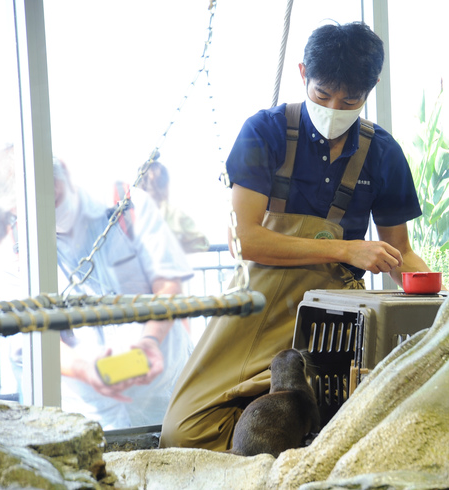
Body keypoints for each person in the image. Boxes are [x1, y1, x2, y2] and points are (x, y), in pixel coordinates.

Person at [161, 21, 431, 451]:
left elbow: (400, 251)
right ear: (304, 74)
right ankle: (263, 438)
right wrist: (346, 248)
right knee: (183, 434)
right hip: (256, 303)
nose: (334, 108)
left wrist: (442, 297)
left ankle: (287, 442)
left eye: (350, 100)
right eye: (323, 95)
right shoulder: (264, 131)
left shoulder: (383, 153)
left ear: (371, 88)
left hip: (331, 312)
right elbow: (245, 240)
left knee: (340, 433)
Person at [0, 147, 195, 429]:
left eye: (51, 190)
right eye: (28, 204)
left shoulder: (126, 203)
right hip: (86, 416)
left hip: (167, 395)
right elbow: (34, 339)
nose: (45, 203)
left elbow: (169, 282)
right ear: (12, 209)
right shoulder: (11, 253)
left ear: (61, 168)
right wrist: (86, 370)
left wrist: (150, 340)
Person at [138, 153, 210, 254]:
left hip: (167, 267)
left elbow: (202, 243)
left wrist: (176, 248)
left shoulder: (175, 214)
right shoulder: (131, 215)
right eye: (147, 182)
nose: (151, 186)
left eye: (155, 182)